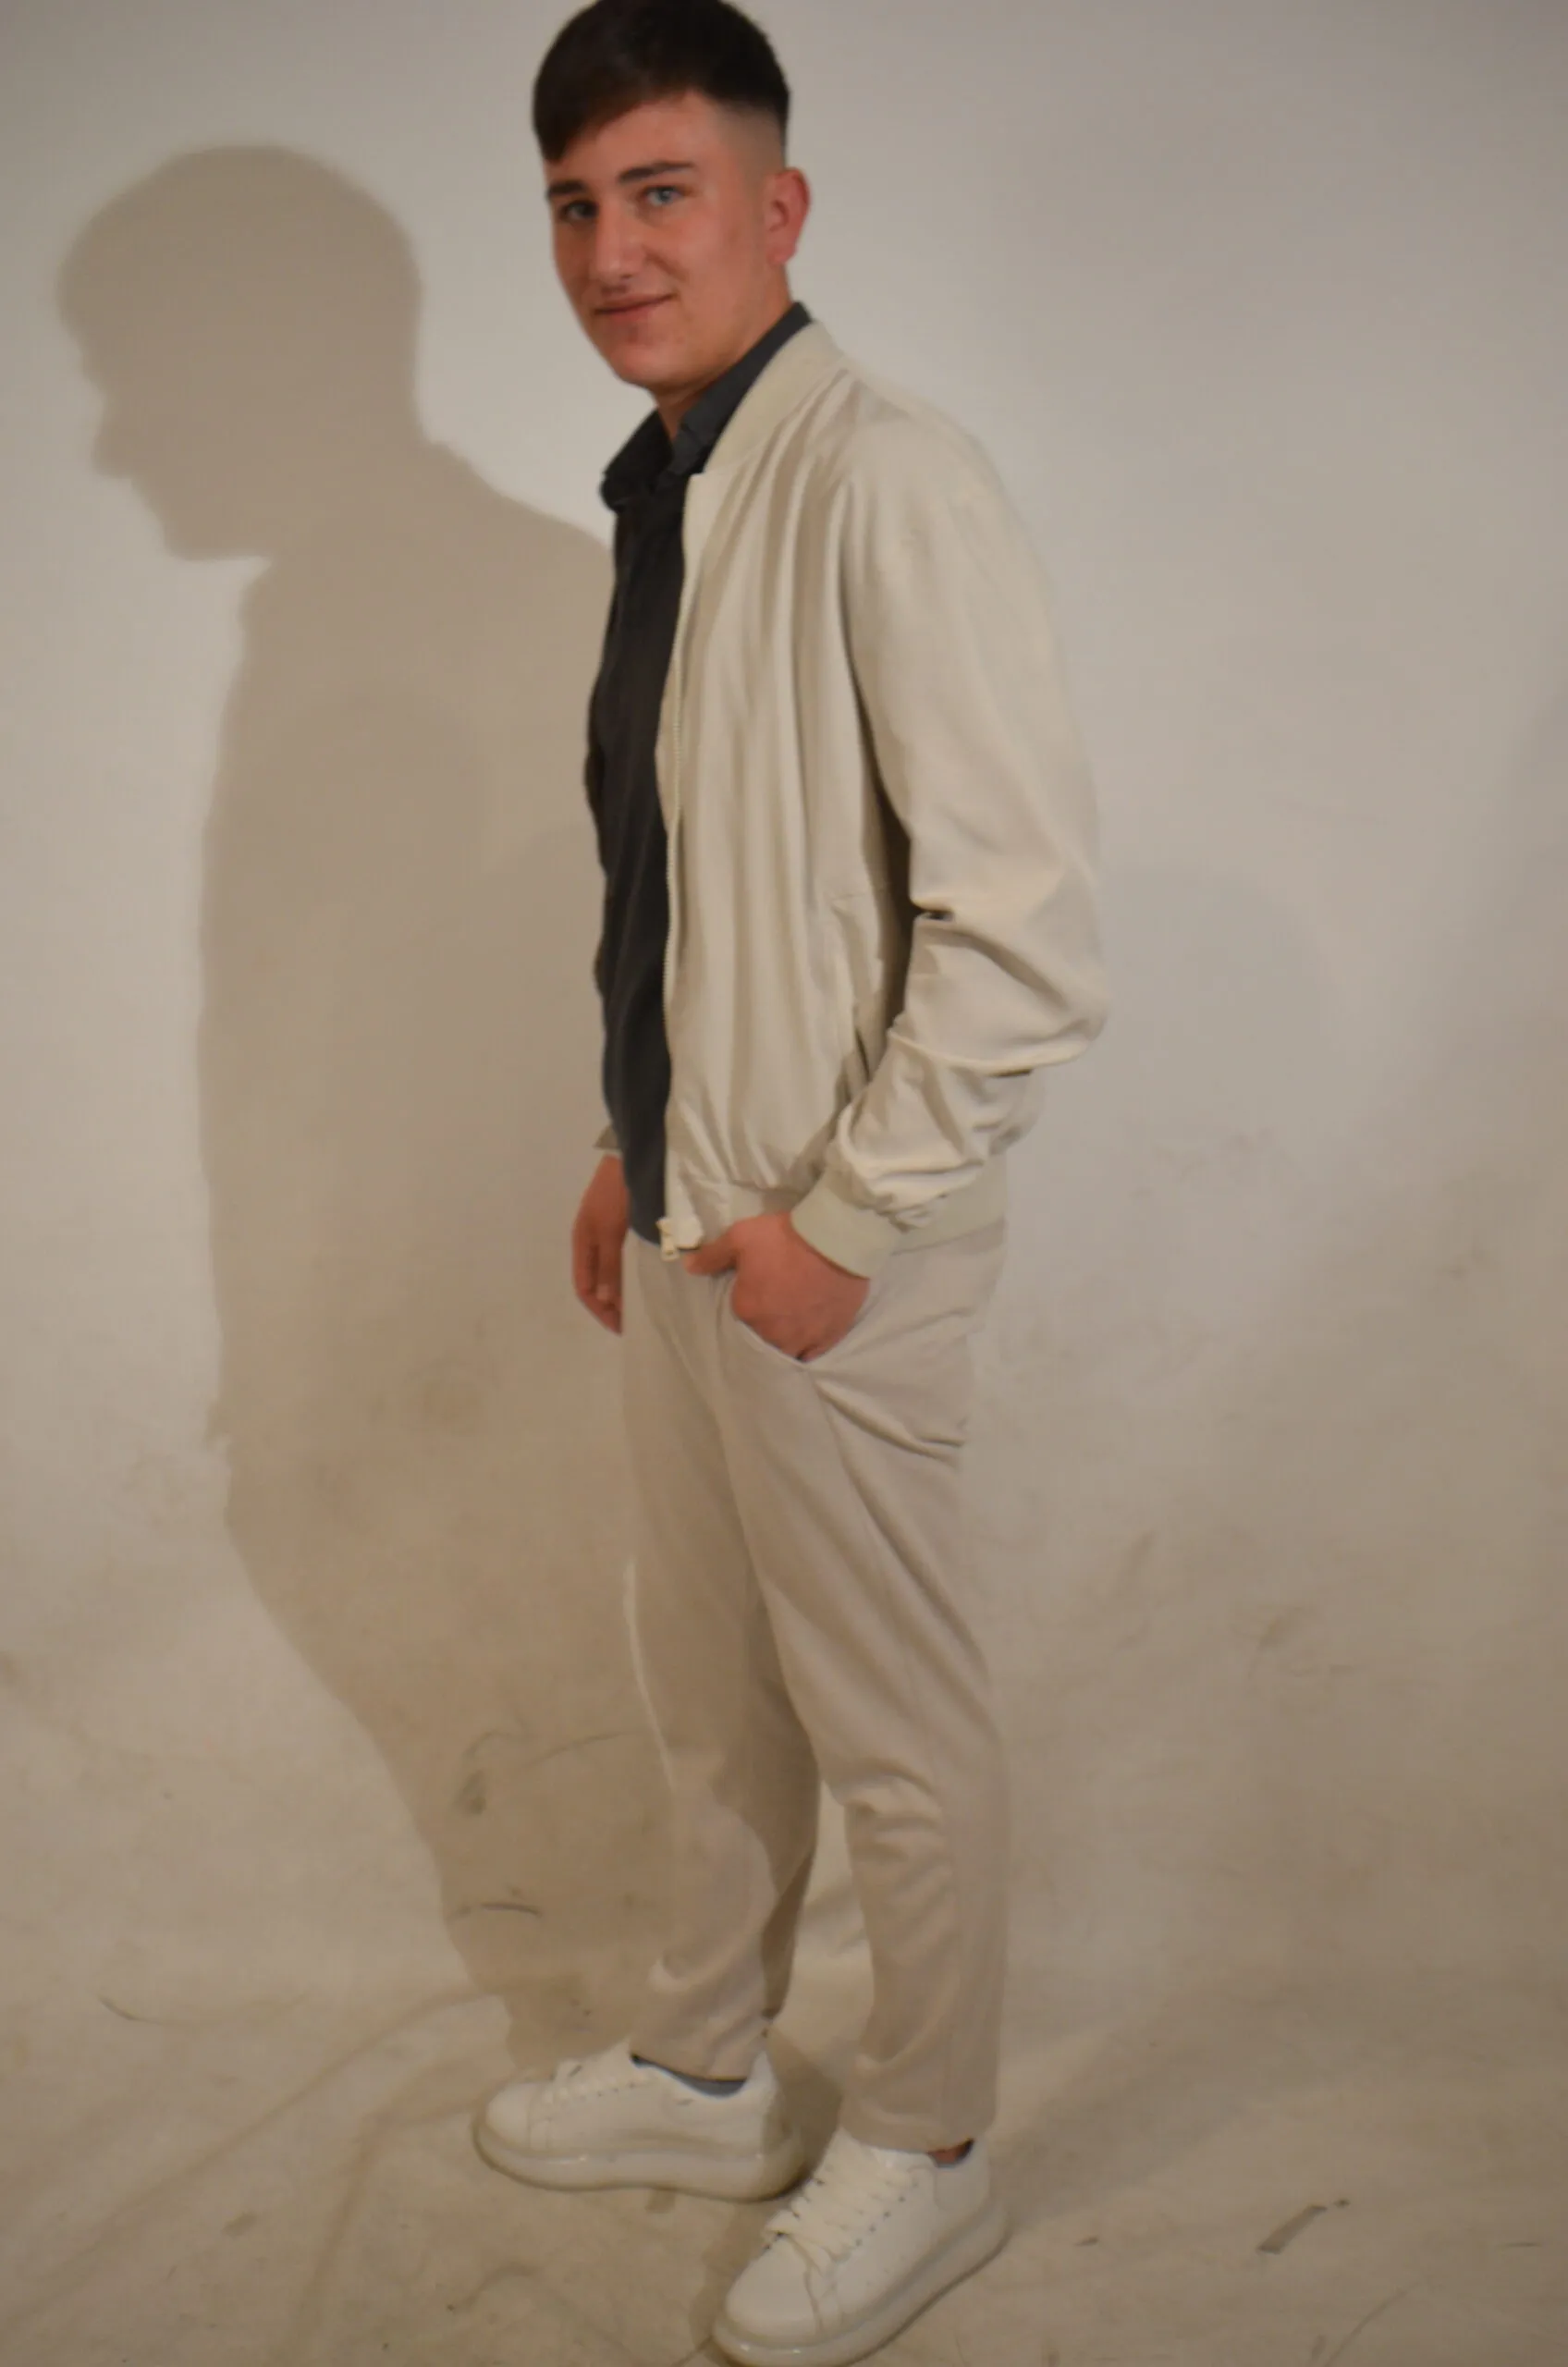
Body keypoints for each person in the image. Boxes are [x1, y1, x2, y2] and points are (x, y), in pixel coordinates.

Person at [474, 4, 1108, 2360]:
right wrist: (631, 1137)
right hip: (697, 1208)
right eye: (574, 205)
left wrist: (840, 1220)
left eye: (659, 192)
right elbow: (704, 883)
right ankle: (704, 2066)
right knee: (714, 1687)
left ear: (776, 206)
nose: (610, 251)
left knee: (888, 1723)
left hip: (833, 1241)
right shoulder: (672, 487)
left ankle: (927, 2144)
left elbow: (1018, 929)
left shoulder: (884, 478)